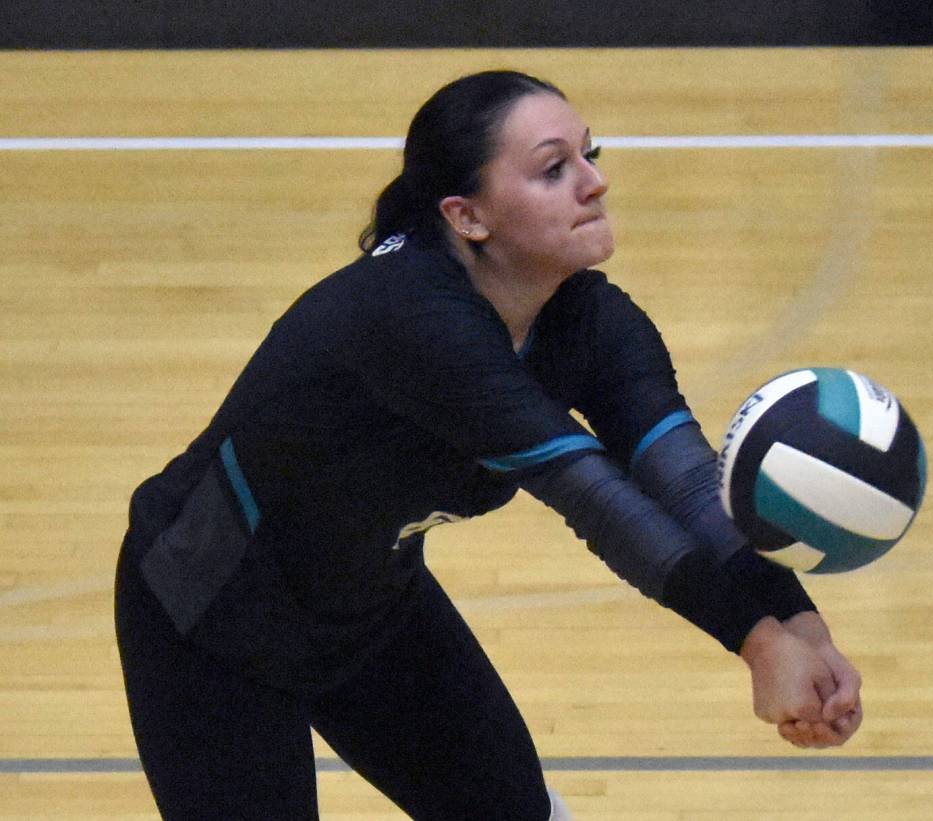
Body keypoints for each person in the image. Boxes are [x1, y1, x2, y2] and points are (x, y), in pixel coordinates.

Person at [115, 70, 863, 821]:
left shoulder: (594, 325)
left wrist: (794, 621)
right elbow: (596, 500)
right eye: (554, 168)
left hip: (369, 609)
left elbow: (690, 487)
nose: (595, 183)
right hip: (208, 616)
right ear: (467, 216)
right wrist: (754, 641)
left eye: (590, 154)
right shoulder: (409, 318)